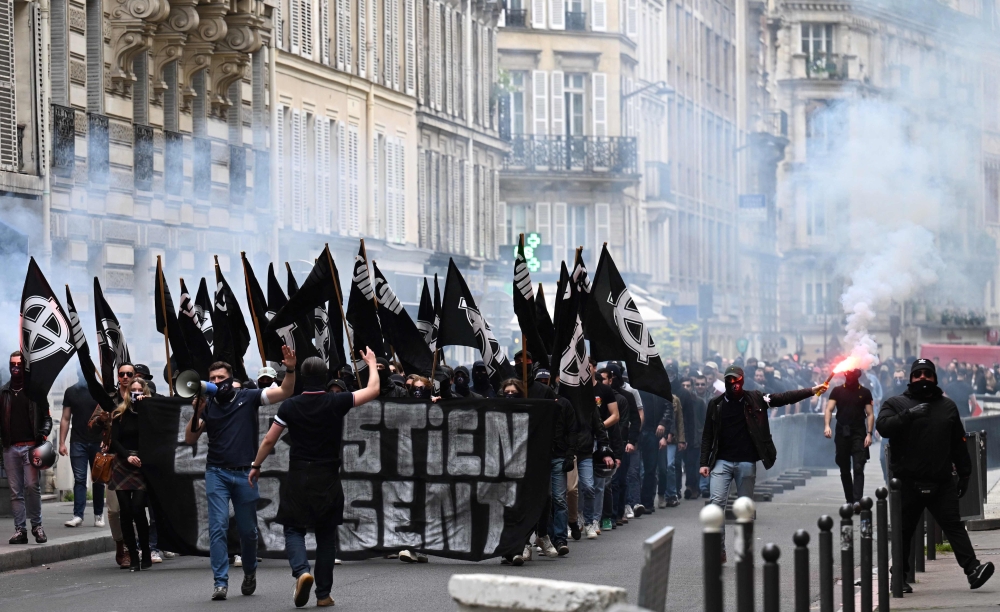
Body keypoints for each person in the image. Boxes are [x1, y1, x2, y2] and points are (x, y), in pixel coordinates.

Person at [249, 349, 380, 607]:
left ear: (302, 377)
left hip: (298, 474)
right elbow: (373, 390)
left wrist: (256, 465)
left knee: (293, 529)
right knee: (326, 535)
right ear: (325, 377)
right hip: (328, 475)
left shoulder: (290, 405)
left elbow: (269, 439)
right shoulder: (337, 401)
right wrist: (372, 364)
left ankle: (301, 571)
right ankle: (323, 594)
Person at [184, 345, 298, 601]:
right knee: (217, 527)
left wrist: (290, 369)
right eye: (211, 379)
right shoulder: (208, 403)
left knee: (248, 532)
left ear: (231, 380)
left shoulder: (248, 396)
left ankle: (249, 571)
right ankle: (220, 582)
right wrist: (197, 410)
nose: (215, 383)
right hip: (216, 472)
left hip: (245, 473)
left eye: (220, 378)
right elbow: (190, 438)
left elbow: (286, 391)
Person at [877, 358, 994, 592]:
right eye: (918, 374)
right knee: (904, 532)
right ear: (911, 378)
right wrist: (909, 415)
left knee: (954, 527)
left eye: (927, 374)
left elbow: (959, 444)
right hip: (907, 482)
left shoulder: (947, 406)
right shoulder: (895, 402)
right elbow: (883, 427)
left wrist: (965, 474)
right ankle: (898, 577)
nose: (922, 378)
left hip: (941, 481)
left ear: (935, 378)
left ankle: (972, 570)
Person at [699, 366, 826, 562]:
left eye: (737, 380)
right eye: (729, 380)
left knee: (745, 509)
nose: (733, 384)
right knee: (716, 506)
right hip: (721, 461)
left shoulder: (756, 398)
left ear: (743, 380)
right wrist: (704, 462)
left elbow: (784, 397)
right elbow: (707, 434)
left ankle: (744, 550)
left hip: (746, 462)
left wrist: (812, 390)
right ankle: (719, 549)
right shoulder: (715, 404)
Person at [2, 351, 51, 545]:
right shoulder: (4, 393)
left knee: (32, 486)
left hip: (31, 447)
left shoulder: (35, 391)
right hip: (10, 448)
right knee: (15, 491)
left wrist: (43, 432)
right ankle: (20, 530)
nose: (15, 368)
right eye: (12, 364)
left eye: (19, 365)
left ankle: (37, 527)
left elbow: (47, 418)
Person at [110, 378, 153, 571]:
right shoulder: (119, 414)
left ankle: (146, 551)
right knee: (125, 511)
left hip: (142, 463)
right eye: (132, 390)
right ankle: (133, 555)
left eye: (139, 390)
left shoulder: (150, 413)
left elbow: (155, 437)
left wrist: (146, 408)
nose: (136, 393)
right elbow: (114, 441)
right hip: (123, 462)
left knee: (137, 508)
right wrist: (127, 456)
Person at [58, 369, 105, 528]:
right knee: (79, 480)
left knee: (98, 479)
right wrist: (62, 442)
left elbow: (109, 416)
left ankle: (98, 514)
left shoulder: (100, 390)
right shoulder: (71, 392)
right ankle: (78, 515)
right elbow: (65, 418)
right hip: (78, 441)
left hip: (98, 441)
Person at [824, 369, 874, 504]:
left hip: (858, 432)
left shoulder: (865, 392)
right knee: (844, 468)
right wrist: (827, 426)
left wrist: (869, 434)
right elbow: (829, 409)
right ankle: (850, 500)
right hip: (842, 432)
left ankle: (857, 500)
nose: (851, 377)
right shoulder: (837, 391)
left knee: (858, 466)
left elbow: (870, 414)